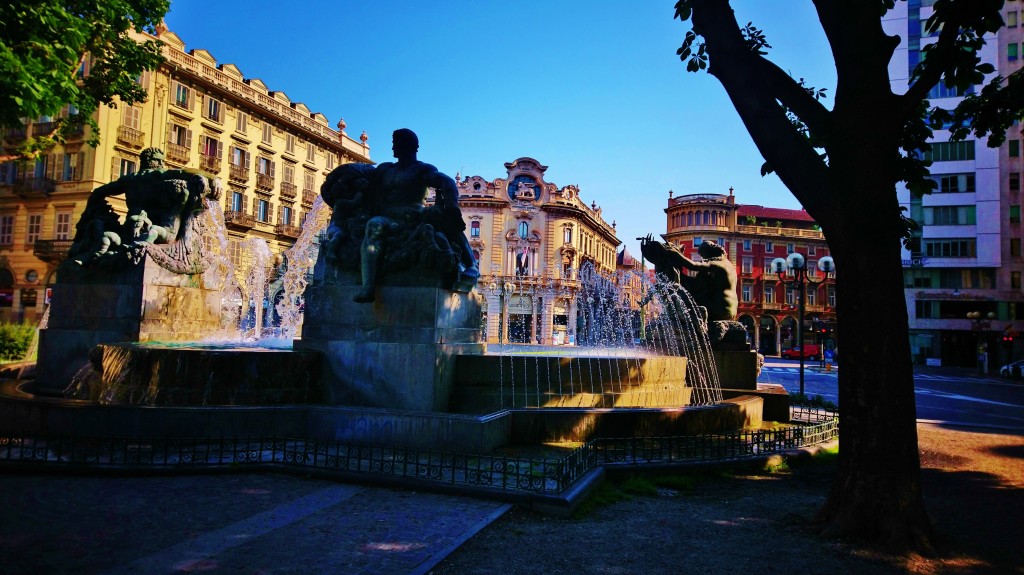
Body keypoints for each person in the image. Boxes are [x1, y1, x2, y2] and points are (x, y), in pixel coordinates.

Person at [353, 129, 478, 303]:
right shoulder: (385, 169)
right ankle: (368, 287)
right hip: (388, 218)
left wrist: (452, 207)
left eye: (396, 143)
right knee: (373, 226)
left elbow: (447, 182)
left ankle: (472, 264)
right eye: (393, 143)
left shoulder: (421, 170)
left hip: (415, 215)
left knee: (446, 219)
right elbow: (365, 185)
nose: (393, 147)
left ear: (409, 146)